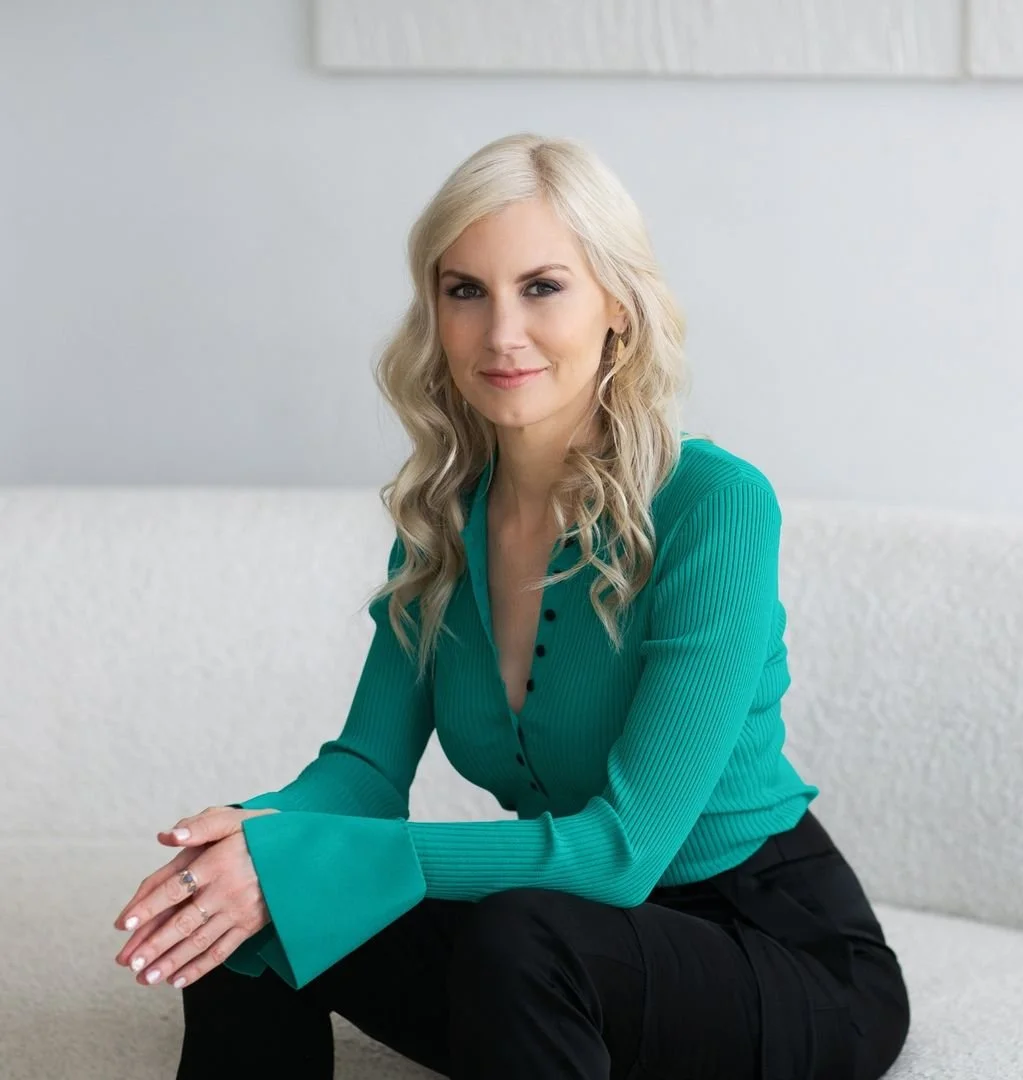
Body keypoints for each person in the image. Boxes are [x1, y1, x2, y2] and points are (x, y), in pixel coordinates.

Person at [113, 132, 910, 1079]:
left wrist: (318, 857)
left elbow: (620, 855)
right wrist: (255, 842)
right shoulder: (444, 518)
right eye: (466, 291)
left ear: (617, 307)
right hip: (561, 947)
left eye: (542, 287)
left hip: (771, 955)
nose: (501, 333)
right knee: (247, 906)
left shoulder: (714, 506)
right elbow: (365, 768)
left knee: (509, 933)